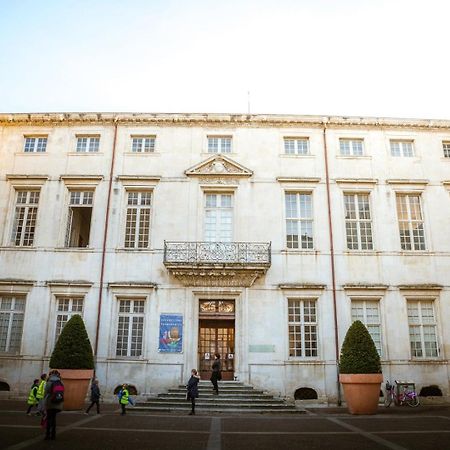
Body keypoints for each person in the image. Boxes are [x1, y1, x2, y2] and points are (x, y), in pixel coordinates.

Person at [44, 369, 64, 440]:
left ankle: (47, 434)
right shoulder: (61, 382)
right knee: (54, 418)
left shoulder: (49, 382)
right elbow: (62, 392)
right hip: (57, 403)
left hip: (50, 402)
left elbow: (45, 393)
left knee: (49, 418)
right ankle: (53, 434)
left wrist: (44, 404)